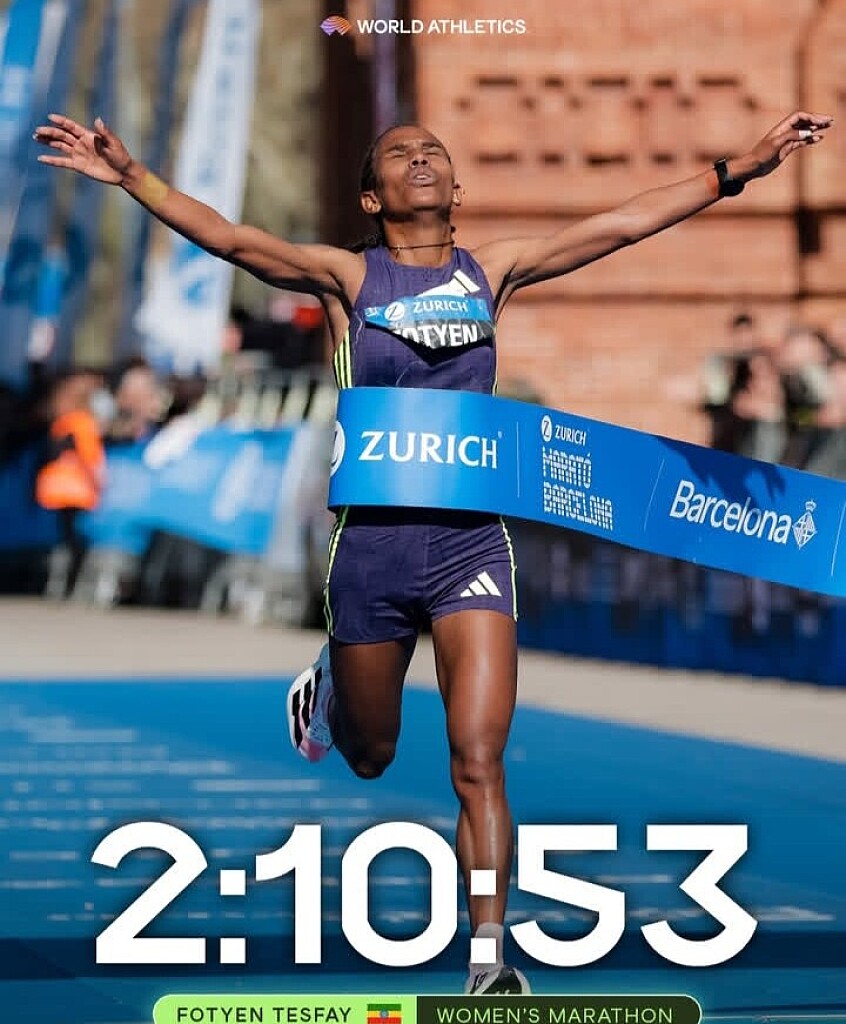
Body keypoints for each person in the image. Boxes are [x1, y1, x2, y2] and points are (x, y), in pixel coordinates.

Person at [34, 106, 832, 994]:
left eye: (434, 152)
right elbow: (230, 238)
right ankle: (329, 688)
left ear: (458, 188)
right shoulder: (346, 277)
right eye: (399, 154)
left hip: (470, 548)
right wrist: (132, 176)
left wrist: (740, 168)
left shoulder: (494, 272)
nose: (420, 158)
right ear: (372, 198)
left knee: (478, 758)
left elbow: (622, 222)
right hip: (370, 552)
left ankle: (489, 958)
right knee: (371, 753)